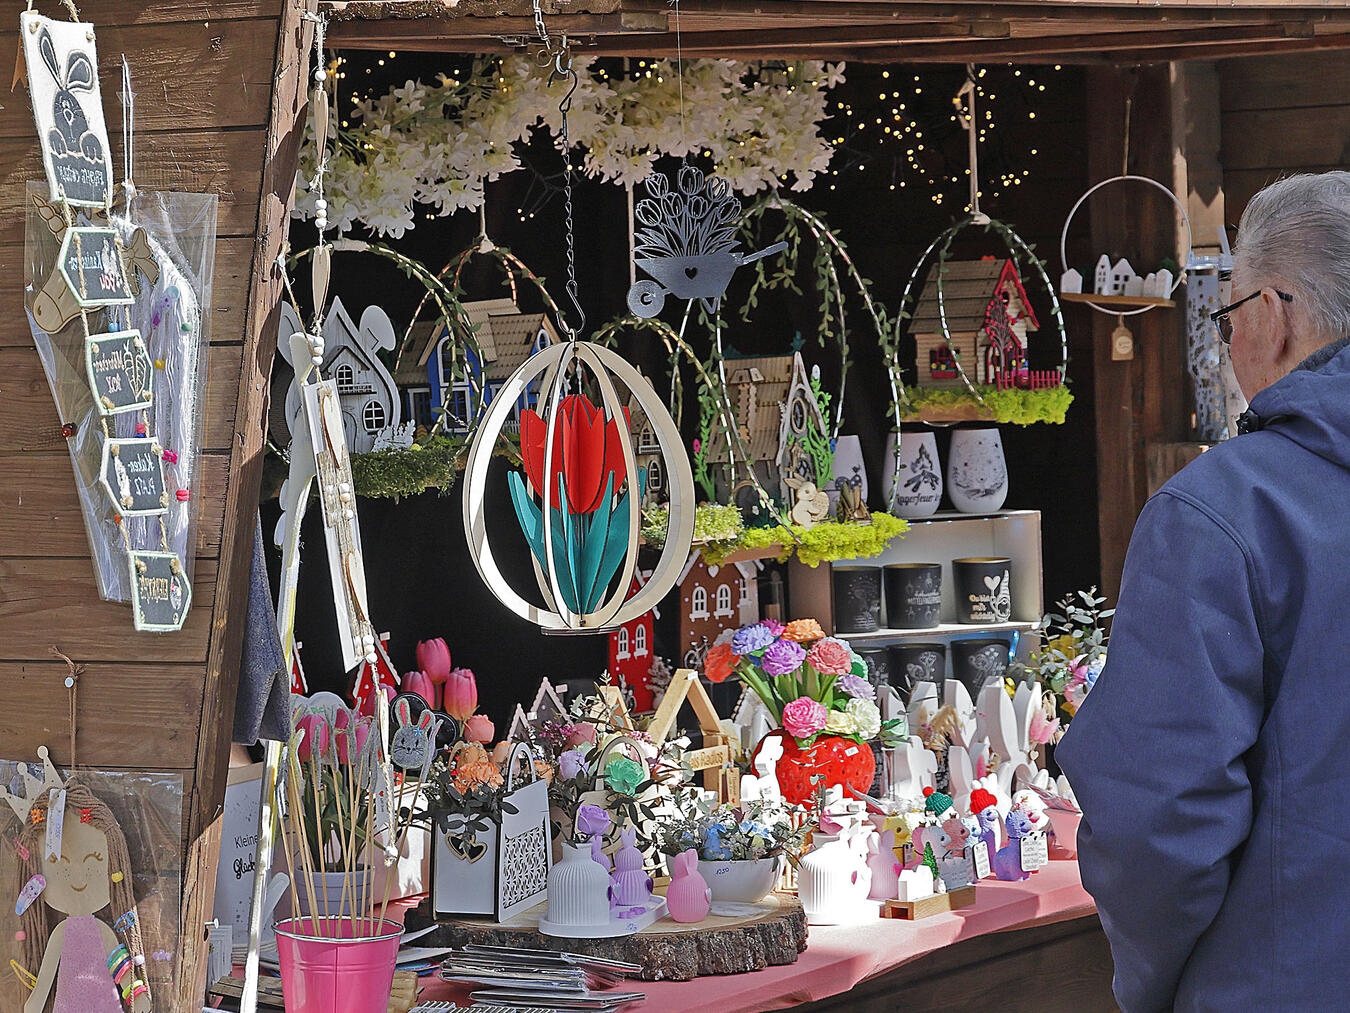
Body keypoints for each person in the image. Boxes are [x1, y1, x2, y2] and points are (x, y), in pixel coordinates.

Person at [1056, 171, 1350, 1012]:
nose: (1227, 345)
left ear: (1273, 313)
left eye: (1225, 320)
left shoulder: (1222, 511)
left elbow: (1160, 818)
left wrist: (1153, 987)